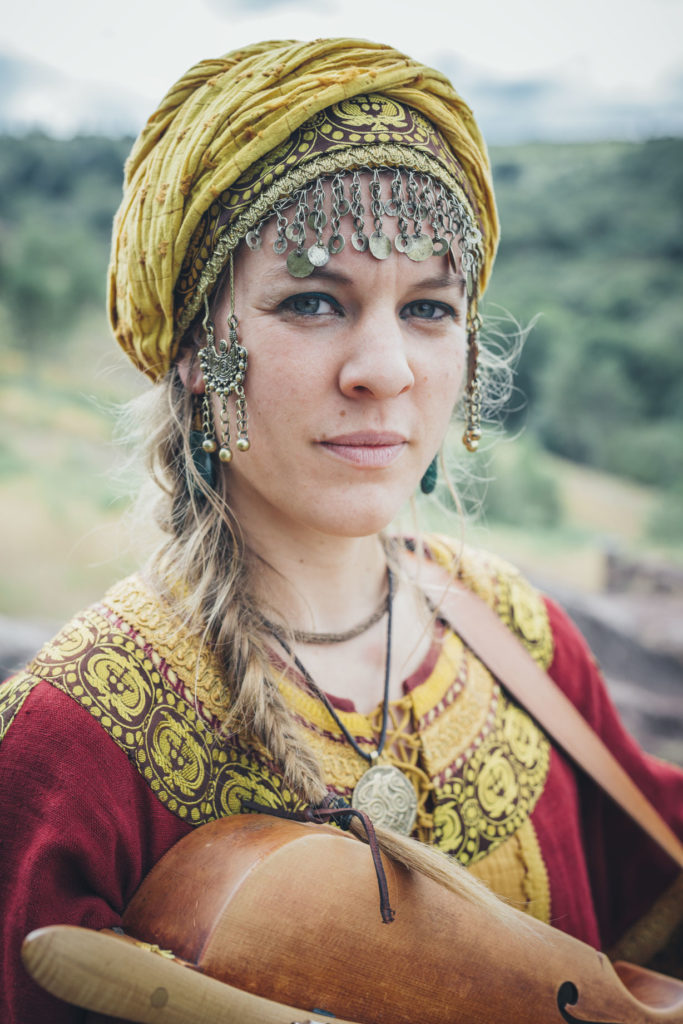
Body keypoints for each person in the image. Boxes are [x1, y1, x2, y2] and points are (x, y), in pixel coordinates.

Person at [1, 38, 681, 1023]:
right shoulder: (66, 746)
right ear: (199, 354)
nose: (384, 368)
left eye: (428, 308)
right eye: (314, 300)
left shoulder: (522, 639)